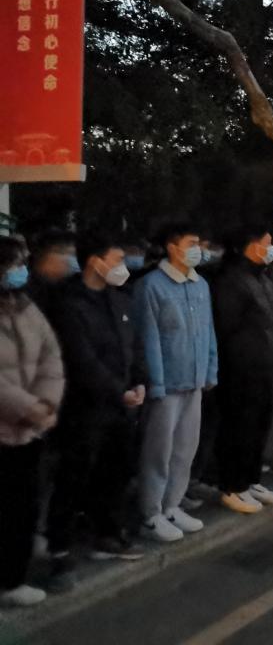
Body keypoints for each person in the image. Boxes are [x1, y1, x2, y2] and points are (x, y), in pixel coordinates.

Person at [46, 235, 147, 590]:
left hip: (122, 407)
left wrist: (139, 382)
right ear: (95, 261)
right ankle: (59, 551)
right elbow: (81, 358)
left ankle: (107, 532)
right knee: (74, 476)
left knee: (116, 471)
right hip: (85, 408)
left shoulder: (119, 298)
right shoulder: (69, 304)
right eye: (117, 259)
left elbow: (133, 346)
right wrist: (118, 391)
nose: (123, 267)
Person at [134, 223, 218, 543]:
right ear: (172, 247)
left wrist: (210, 371)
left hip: (193, 382)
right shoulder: (151, 286)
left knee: (185, 448)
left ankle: (172, 504)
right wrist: (155, 383)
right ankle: (150, 512)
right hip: (166, 385)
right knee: (158, 451)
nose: (198, 249)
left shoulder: (200, 285)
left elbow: (208, 331)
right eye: (192, 243)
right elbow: (149, 338)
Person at [0, 237, 64, 607]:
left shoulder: (26, 307)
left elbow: (51, 356)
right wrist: (29, 407)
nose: (21, 270)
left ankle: (13, 579)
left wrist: (46, 403)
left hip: (28, 431)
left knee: (22, 507)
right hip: (7, 427)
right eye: (14, 264)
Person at [212, 227, 273, 515]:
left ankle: (251, 480)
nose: (270, 249)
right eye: (266, 244)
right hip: (241, 369)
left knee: (259, 426)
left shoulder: (262, 278)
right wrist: (239, 360)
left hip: (265, 366)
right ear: (251, 246)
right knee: (239, 428)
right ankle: (233, 485)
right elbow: (226, 328)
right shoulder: (232, 281)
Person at [26, 229, 77, 322]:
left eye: (74, 256)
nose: (72, 261)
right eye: (65, 253)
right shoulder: (26, 299)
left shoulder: (71, 289)